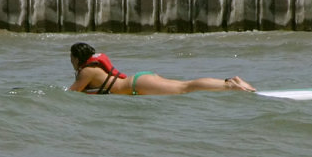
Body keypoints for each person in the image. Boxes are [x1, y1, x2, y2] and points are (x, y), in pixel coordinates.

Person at [68, 42, 255, 95]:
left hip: (138, 85)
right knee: (185, 85)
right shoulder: (94, 67)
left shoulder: (86, 71)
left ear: (76, 58)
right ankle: (230, 82)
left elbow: (72, 93)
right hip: (140, 80)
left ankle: (231, 85)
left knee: (186, 87)